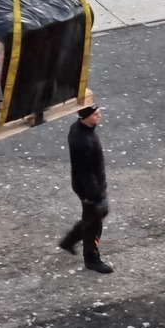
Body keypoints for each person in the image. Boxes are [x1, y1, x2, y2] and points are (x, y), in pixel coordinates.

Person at [60, 104, 114, 274]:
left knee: (95, 216)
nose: (100, 116)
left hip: (93, 187)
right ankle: (91, 258)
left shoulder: (81, 129)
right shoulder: (82, 141)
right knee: (94, 224)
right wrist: (95, 196)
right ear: (86, 117)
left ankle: (69, 240)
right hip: (91, 190)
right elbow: (86, 172)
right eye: (95, 114)